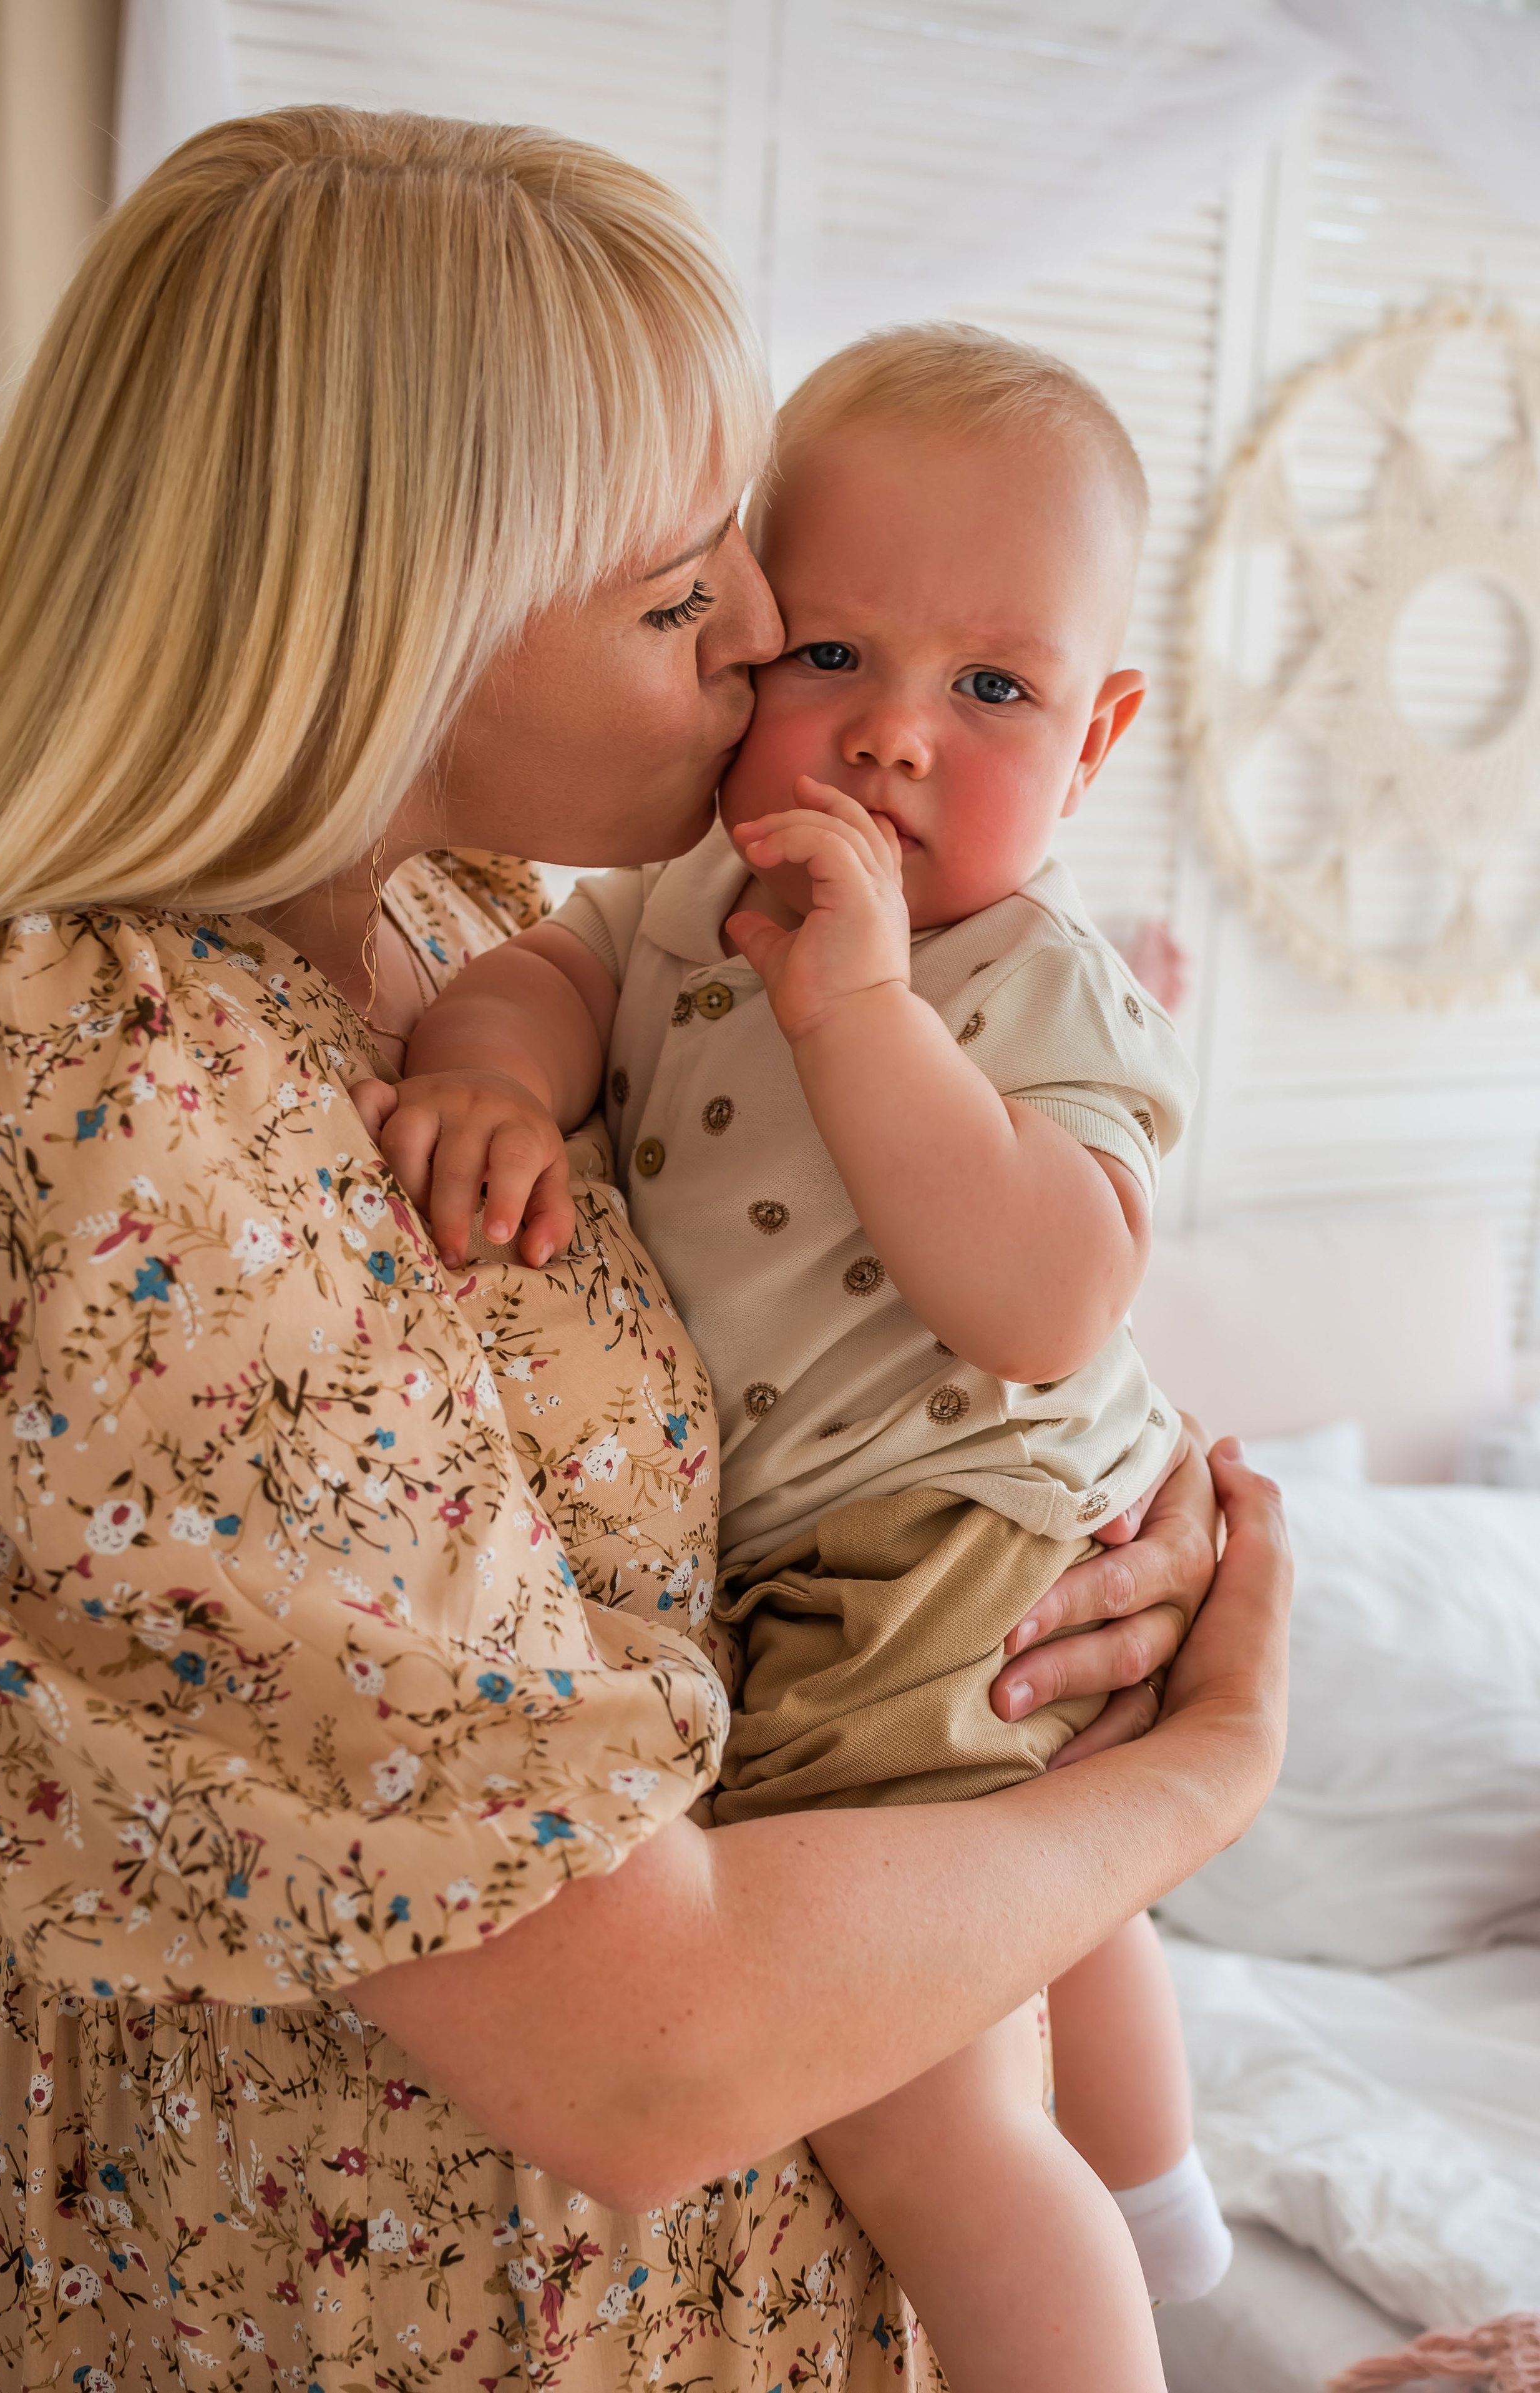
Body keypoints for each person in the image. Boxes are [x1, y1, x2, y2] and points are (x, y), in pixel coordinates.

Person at [0, 107, 1289, 2393]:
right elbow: (633, 2050)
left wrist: (1122, 1543)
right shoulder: (123, 1113)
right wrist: (1197, 1763)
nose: (777, 650)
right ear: (397, 622)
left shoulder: (458, 916)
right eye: (697, 595)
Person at [354, 323, 1231, 2384]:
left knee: (932, 2105)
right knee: (1065, 1895)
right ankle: (1172, 2206)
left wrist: (862, 1015)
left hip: (950, 1535)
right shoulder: (677, 895)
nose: (894, 740)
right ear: (742, 645)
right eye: (832, 658)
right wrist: (485, 1072)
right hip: (855, 1548)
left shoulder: (1034, 977)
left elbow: (1045, 1300)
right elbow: (540, 982)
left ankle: (1124, 2280)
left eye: (991, 688)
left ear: (1095, 739)